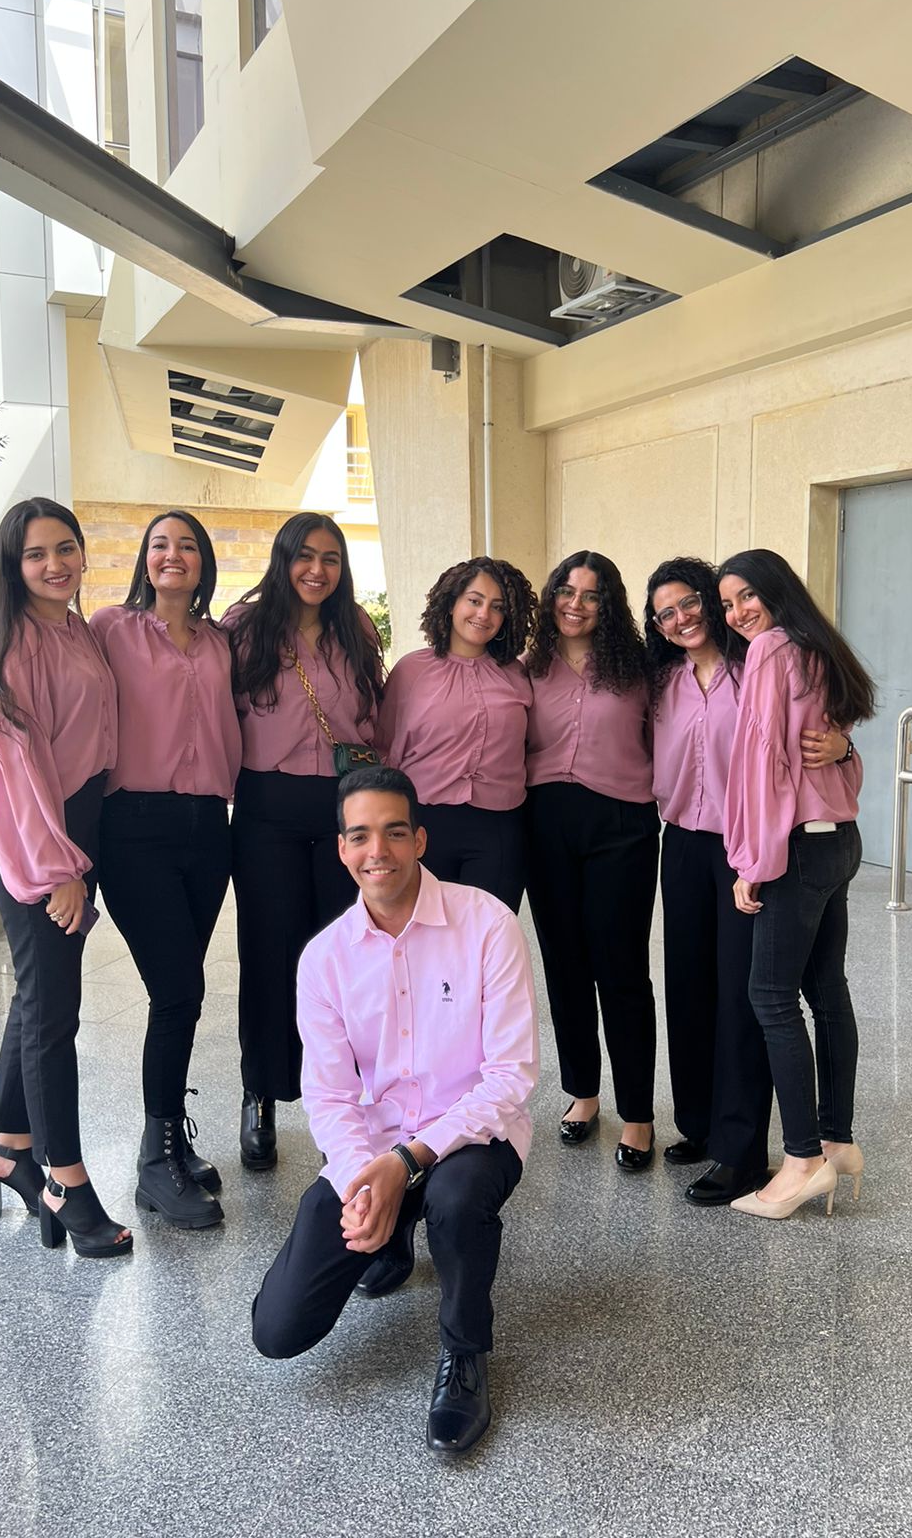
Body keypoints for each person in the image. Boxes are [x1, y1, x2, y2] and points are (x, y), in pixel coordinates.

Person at [250, 767, 538, 1456]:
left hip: (474, 1135)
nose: (376, 850)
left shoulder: (487, 924)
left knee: (457, 1199)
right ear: (342, 848)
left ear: (420, 841)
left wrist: (404, 1162)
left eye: (394, 832)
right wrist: (362, 1180)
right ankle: (396, 1230)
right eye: (359, 836)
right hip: (374, 1146)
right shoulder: (324, 959)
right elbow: (329, 1095)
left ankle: (464, 1354)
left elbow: (511, 1076)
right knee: (277, 1330)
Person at [645, 557, 848, 1206]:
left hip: (745, 847)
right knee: (688, 985)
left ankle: (740, 1151)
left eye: (690, 603)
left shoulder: (761, 662)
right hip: (680, 841)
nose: (681, 619)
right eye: (665, 612)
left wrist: (846, 748)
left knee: (741, 995)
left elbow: (818, 741)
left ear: (711, 601)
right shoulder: (662, 682)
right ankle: (700, 1124)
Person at [0, 497, 131, 1259]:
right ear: (14, 565)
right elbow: (19, 773)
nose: (55, 564)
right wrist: (59, 869)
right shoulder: (15, 646)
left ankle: (8, 1154)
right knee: (54, 1012)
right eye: (37, 554)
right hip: (34, 837)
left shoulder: (76, 627)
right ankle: (64, 1177)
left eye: (66, 548)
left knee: (37, 995)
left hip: (75, 826)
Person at [89, 510, 241, 1230]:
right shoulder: (110, 629)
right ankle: (155, 1163)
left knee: (184, 992)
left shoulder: (221, 641)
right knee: (177, 991)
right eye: (159, 545)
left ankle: (171, 1141)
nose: (172, 554)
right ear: (143, 560)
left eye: (186, 545)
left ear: (204, 562)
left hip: (209, 827)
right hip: (135, 828)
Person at [717, 549, 875, 1220]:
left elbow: (763, 765)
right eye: (728, 604)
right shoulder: (820, 647)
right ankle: (838, 1140)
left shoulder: (772, 651)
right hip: (839, 840)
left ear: (777, 591)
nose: (737, 612)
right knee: (827, 989)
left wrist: (751, 860)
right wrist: (846, 751)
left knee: (772, 996)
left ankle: (803, 1160)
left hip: (799, 849)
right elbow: (839, 758)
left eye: (747, 596)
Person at [224, 513, 385, 1171]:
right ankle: (261, 1093)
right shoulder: (245, 627)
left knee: (343, 961)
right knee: (270, 954)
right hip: (266, 806)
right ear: (283, 559)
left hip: (344, 808)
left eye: (331, 559)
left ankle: (338, 1106)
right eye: (305, 556)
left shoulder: (357, 629)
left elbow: (375, 720)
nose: (317, 571)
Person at [523, 551, 660, 1169]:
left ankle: (638, 1113)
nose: (575, 604)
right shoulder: (528, 667)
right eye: (566, 591)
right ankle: (582, 1092)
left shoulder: (639, 669)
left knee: (622, 969)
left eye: (591, 595)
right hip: (544, 823)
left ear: (609, 605)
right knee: (565, 965)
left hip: (621, 827)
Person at [376, 557, 535, 912]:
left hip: (499, 829)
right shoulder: (411, 671)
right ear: (451, 604)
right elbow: (386, 749)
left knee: (487, 934)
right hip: (424, 824)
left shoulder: (518, 674)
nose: (484, 614)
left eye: (497, 607)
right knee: (424, 932)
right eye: (474, 600)